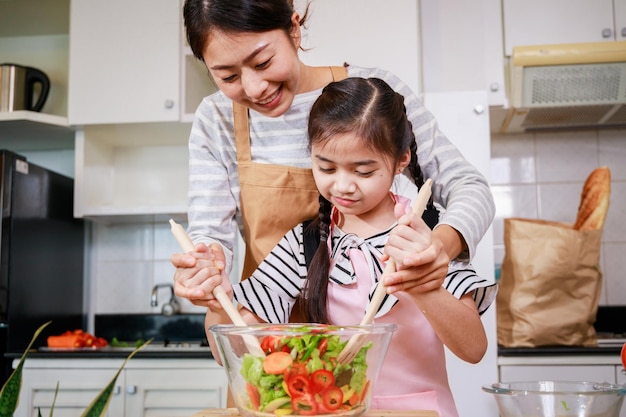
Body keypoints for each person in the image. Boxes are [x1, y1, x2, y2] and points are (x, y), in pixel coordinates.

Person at [171, 0, 495, 322]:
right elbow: (208, 232)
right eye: (228, 77)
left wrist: (440, 246)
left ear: (294, 29)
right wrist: (205, 262)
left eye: (263, 62)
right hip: (267, 332)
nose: (255, 88)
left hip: (365, 335)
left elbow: (468, 186)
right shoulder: (217, 119)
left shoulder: (371, 95)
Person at [203, 77, 498, 416]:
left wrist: (424, 286)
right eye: (325, 167)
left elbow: (474, 348)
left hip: (422, 411)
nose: (342, 185)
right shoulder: (307, 242)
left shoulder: (427, 233)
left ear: (401, 160)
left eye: (363, 171)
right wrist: (217, 303)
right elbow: (237, 344)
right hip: (340, 410)